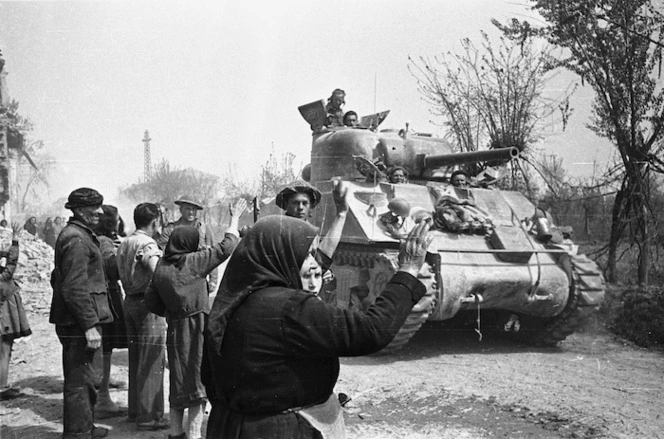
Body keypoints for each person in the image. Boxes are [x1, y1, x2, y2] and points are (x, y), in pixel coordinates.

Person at [204, 215, 431, 438]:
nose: (312, 261)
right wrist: (408, 270)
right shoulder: (290, 306)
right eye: (304, 254)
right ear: (281, 256)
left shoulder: (232, 302)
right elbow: (371, 331)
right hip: (281, 430)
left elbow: (210, 377)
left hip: (229, 424)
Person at [145, 199, 246, 439]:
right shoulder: (194, 262)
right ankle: (193, 434)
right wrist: (234, 218)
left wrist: (172, 311)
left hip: (175, 327)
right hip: (198, 326)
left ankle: (175, 432)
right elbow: (227, 247)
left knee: (178, 378)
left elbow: (151, 301)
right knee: (199, 380)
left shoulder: (161, 266)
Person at [49, 187, 112, 439]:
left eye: (100, 205)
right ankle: (78, 434)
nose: (99, 211)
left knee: (88, 379)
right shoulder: (76, 239)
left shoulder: (79, 234)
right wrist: (88, 325)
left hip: (79, 320)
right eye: (93, 207)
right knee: (80, 381)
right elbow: (73, 287)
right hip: (79, 324)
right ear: (77, 210)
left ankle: (85, 427)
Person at [116, 202, 168, 431]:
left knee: (136, 358)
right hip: (147, 305)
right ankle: (148, 417)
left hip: (129, 302)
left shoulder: (125, 241)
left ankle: (136, 410)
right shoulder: (147, 243)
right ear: (155, 221)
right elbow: (158, 273)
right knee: (152, 361)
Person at [94, 205, 128, 419]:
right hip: (107, 296)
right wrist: (122, 253)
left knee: (104, 346)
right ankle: (102, 399)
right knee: (105, 346)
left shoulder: (94, 238)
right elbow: (113, 270)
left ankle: (102, 393)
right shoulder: (105, 242)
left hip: (102, 295)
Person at [157, 196, 218, 294]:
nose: (191, 212)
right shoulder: (170, 229)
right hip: (176, 280)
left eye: (193, 209)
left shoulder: (204, 229)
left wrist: (213, 280)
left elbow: (213, 255)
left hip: (199, 279)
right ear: (181, 209)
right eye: (187, 209)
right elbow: (162, 255)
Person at [0, 223, 31, 400]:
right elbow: (11, 263)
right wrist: (15, 241)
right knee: (5, 350)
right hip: (4, 319)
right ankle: (2, 387)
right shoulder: (3, 279)